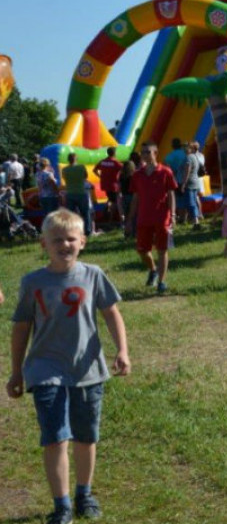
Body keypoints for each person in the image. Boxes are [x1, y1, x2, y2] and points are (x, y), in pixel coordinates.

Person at [6, 208, 131, 524]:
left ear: (83, 242)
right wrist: (16, 370)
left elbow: (111, 313)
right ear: (43, 244)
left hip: (87, 369)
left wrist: (122, 351)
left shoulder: (93, 275)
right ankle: (61, 505)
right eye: (56, 240)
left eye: (70, 239)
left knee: (86, 436)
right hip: (45, 369)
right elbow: (21, 327)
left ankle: (83, 494)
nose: (64, 245)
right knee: (55, 437)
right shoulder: (33, 282)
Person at [127, 142, 177, 294]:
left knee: (162, 249)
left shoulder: (165, 172)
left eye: (148, 152)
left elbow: (171, 194)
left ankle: (161, 282)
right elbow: (135, 198)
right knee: (142, 250)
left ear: (156, 153)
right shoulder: (137, 175)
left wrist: (173, 214)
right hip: (143, 217)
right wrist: (129, 219)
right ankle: (153, 270)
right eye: (143, 152)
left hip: (162, 217)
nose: (145, 155)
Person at [61, 153, 93, 237]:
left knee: (71, 215)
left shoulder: (64, 169)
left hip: (70, 193)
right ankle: (87, 231)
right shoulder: (81, 167)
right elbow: (85, 176)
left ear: (68, 159)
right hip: (81, 192)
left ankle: (71, 231)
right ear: (76, 159)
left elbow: (64, 178)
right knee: (85, 213)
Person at [92, 148, 123, 226]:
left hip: (105, 184)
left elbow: (94, 170)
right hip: (113, 185)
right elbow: (125, 169)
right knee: (115, 202)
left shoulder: (103, 161)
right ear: (114, 153)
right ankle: (110, 219)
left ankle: (106, 213)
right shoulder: (115, 162)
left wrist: (100, 177)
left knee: (110, 199)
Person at [164, 139, 188, 224]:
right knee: (184, 198)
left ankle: (178, 216)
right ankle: (184, 216)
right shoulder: (184, 154)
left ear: (172, 146)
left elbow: (166, 166)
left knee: (176, 199)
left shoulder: (170, 156)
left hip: (175, 179)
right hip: (185, 179)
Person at [117, 152, 140, 238]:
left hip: (124, 197)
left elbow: (119, 188)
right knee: (135, 215)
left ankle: (127, 233)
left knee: (127, 217)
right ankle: (134, 233)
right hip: (133, 197)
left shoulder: (122, 176)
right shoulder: (135, 175)